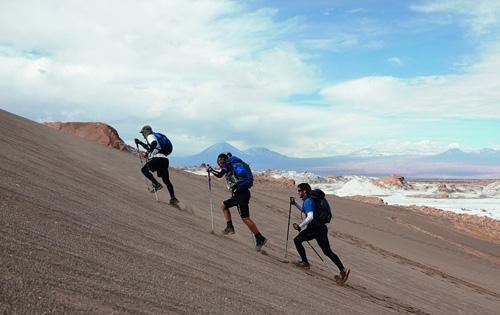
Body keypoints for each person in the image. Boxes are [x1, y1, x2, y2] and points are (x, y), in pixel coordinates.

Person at [207, 153, 267, 251]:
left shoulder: (228, 165)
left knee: (245, 218)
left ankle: (260, 238)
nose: (220, 164)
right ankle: (230, 227)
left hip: (241, 194)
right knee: (224, 206)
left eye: (220, 162)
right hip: (239, 193)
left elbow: (219, 175)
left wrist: (211, 170)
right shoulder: (231, 164)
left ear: (223, 160)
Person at [291, 182, 348, 281]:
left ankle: (305, 263)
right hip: (321, 228)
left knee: (297, 240)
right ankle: (342, 270)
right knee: (327, 251)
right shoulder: (311, 200)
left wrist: (300, 226)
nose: (298, 192)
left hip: (314, 228)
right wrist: (295, 204)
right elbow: (307, 211)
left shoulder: (308, 201)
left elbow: (310, 216)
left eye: (299, 190)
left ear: (305, 191)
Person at [134, 125, 178, 205]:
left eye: (143, 133)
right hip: (164, 159)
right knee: (166, 180)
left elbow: (153, 144)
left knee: (144, 170)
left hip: (157, 159)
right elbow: (151, 147)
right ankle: (173, 198)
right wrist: (140, 143)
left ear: (146, 132)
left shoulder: (150, 136)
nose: (143, 135)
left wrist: (147, 153)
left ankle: (156, 184)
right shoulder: (155, 137)